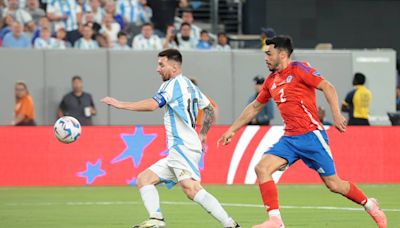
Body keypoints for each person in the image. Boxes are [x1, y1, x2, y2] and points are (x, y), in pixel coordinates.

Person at [218, 36, 387, 228]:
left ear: (282, 54)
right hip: (290, 139)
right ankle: (276, 221)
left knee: (334, 184)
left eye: (269, 53)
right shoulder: (271, 81)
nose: (265, 58)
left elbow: (327, 87)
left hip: (311, 136)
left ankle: (370, 205)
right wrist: (232, 130)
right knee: (262, 168)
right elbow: (255, 106)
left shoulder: (299, 69)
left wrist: (336, 114)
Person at [101, 49, 240, 228]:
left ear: (174, 67)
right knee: (144, 179)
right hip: (182, 148)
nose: (157, 69)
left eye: (161, 65)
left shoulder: (171, 85)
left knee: (191, 189)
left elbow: (152, 105)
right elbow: (210, 109)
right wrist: (203, 134)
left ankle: (230, 224)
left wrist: (121, 104)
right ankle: (156, 219)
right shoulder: (189, 85)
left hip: (182, 147)